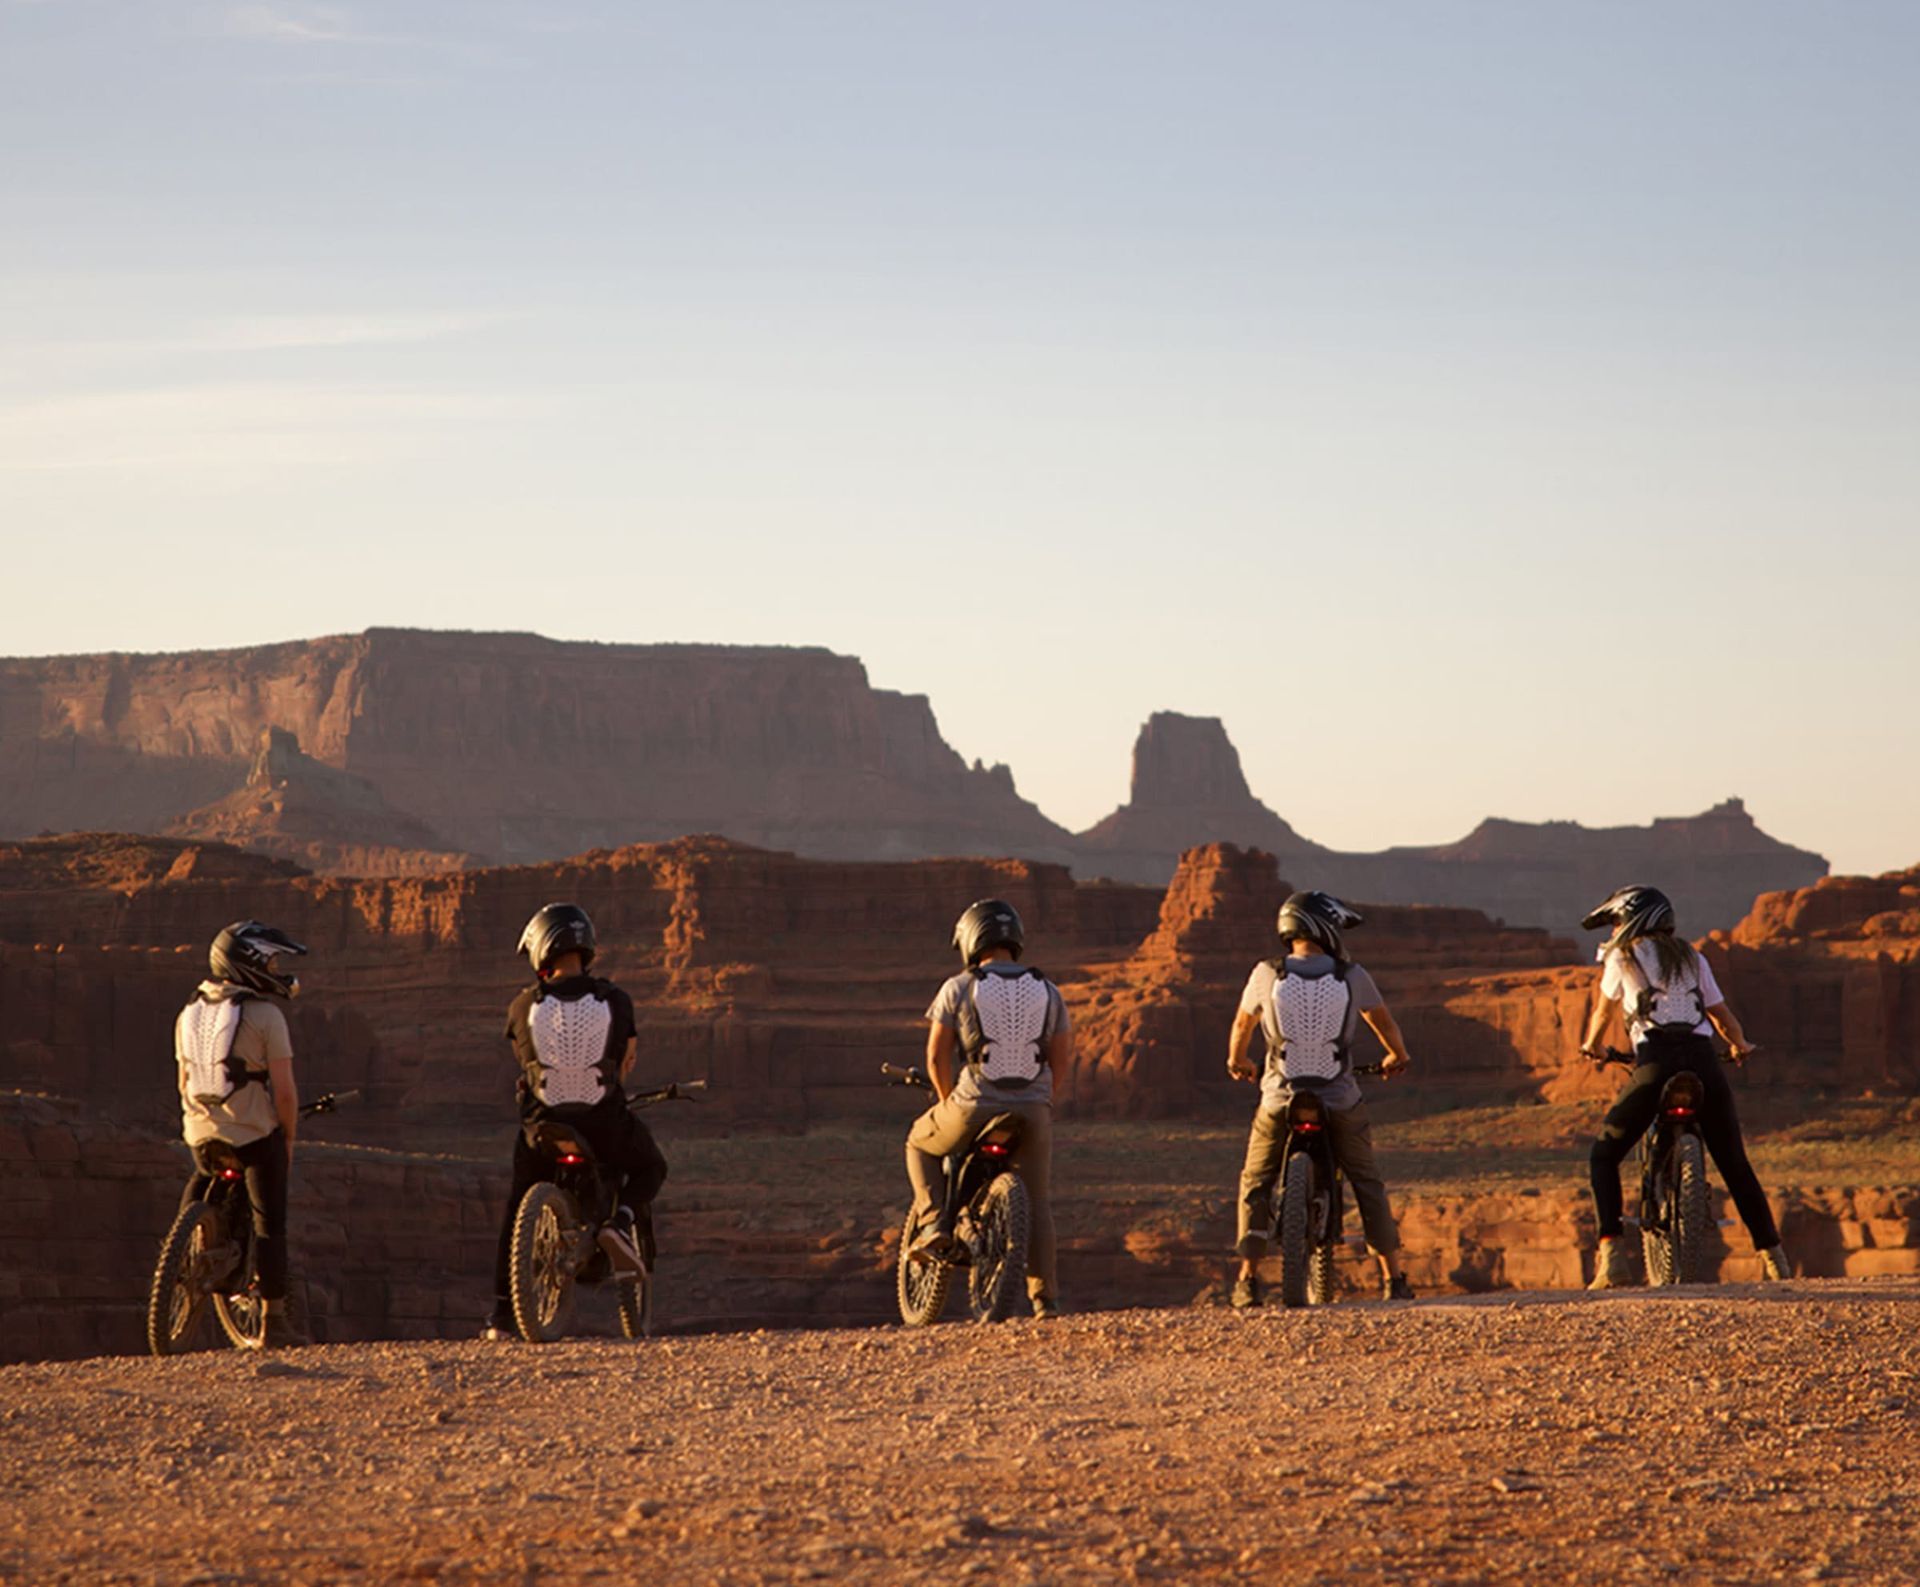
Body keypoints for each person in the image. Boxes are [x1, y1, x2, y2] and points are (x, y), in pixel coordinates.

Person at [1578, 885, 1790, 1288]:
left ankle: (1612, 1261)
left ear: (1633, 920)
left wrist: (1592, 1047)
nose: (1617, 929)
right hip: (1703, 1063)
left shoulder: (1621, 958)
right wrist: (1738, 1046)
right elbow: (1721, 1016)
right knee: (1735, 1165)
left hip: (1655, 1063)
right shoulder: (1693, 958)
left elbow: (1603, 1014)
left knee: (1604, 1156)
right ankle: (1775, 1259)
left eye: (1619, 921)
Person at [484, 903, 669, 1340]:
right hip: (603, 1125)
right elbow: (625, 1062)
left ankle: (501, 1318)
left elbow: (525, 1060)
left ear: (541, 950)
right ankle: (619, 1223)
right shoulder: (615, 1001)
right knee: (650, 1166)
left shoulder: (522, 1005)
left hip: (543, 1130)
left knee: (516, 1209)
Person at [1226, 890, 1414, 1307]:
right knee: (1366, 1181)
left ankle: (1247, 1281)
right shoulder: (1352, 975)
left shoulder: (1265, 974)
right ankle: (1394, 1279)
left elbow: (1241, 1027)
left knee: (1256, 1181)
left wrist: (1238, 1062)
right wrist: (1396, 1057)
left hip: (1279, 1096)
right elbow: (1383, 1023)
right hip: (1339, 1095)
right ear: (1323, 927)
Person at [907, 899, 1070, 1319]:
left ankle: (933, 1225)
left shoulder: (959, 986)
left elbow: (936, 1058)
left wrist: (948, 1102)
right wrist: (1044, 1101)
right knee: (1037, 1202)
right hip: (1033, 1108)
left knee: (918, 1144)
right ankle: (1045, 1299)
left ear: (970, 939)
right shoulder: (1049, 990)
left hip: (973, 1103)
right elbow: (1062, 1059)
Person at [174, 920, 311, 1349]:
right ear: (249, 963)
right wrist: (287, 1138)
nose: (275, 968)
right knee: (270, 1222)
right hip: (251, 1136)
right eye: (270, 960)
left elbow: (183, 1081)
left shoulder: (188, 1015)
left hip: (200, 1133)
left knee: (200, 1182)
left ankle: (185, 1250)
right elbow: (285, 1093)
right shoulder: (266, 1017)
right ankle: (274, 1321)